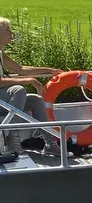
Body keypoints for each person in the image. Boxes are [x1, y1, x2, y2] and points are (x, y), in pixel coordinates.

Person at [0, 17, 70, 157]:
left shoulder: (0, 54)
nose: (11, 34)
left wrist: (49, 70)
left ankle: (50, 144)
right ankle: (12, 141)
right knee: (18, 90)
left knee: (36, 100)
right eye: (7, 30)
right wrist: (29, 81)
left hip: (2, 99)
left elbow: (20, 69)